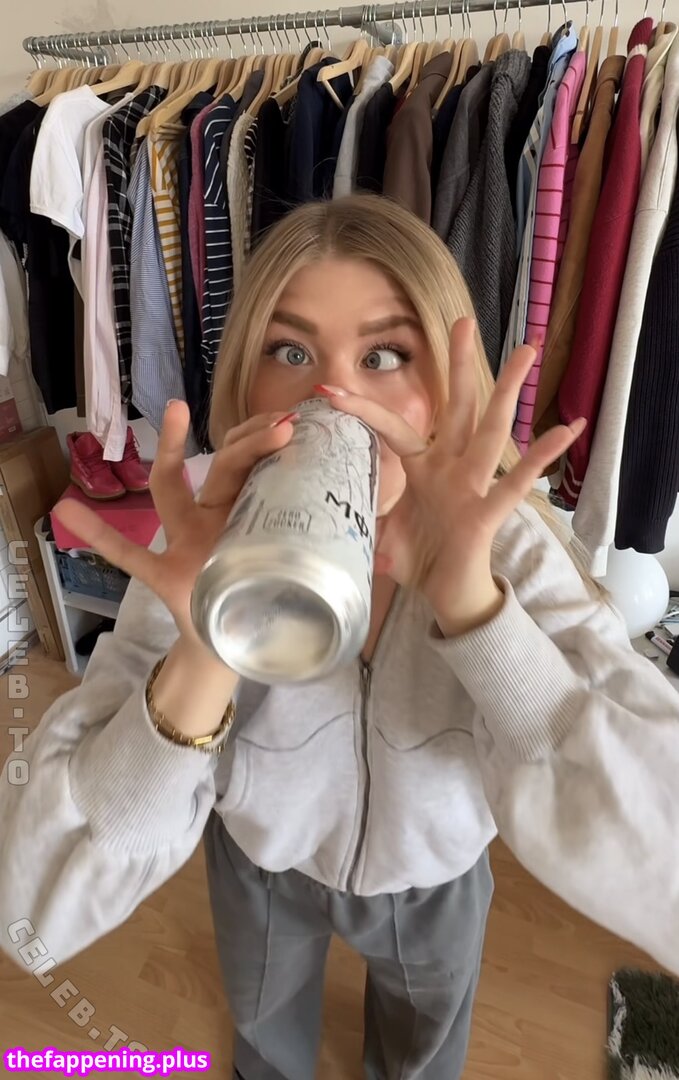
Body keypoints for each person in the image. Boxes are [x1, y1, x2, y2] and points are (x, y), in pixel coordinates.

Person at [2, 194, 679, 1080]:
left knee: (424, 1048)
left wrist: (475, 610)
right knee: (265, 1037)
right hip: (262, 867)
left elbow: (658, 857)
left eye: (384, 355)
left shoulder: (511, 545)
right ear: (244, 385)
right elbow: (33, 913)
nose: (338, 399)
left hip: (432, 878)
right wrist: (209, 641)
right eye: (290, 353)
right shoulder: (203, 548)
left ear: (445, 387)